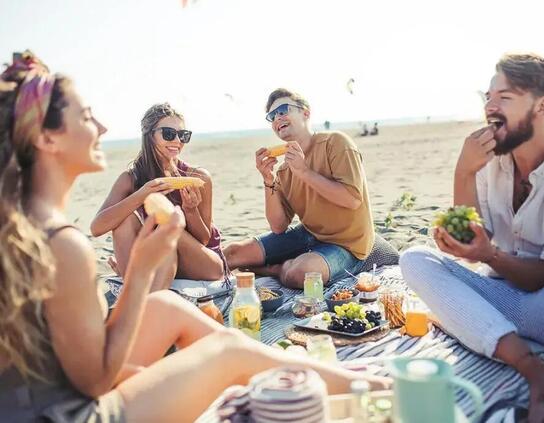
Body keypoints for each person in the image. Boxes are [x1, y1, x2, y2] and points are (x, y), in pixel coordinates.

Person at [0, 51, 389, 422]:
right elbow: (95, 380)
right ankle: (380, 389)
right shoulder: (63, 244)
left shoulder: (22, 223)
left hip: (31, 398)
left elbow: (68, 362)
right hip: (62, 414)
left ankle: (358, 383)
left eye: (182, 133)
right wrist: (140, 271)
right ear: (46, 139)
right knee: (227, 350)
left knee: (168, 307)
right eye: (87, 117)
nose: (102, 127)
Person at [400, 53, 544, 422]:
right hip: (502, 300)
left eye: (504, 97)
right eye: (488, 96)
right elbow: (473, 235)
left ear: (542, 106)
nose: (490, 106)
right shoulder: (490, 156)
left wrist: (490, 254)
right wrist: (464, 171)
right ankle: (537, 373)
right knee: (414, 258)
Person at [223, 88, 375, 288]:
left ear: (306, 113)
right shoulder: (284, 170)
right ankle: (282, 264)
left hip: (348, 244)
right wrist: (268, 179)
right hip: (309, 234)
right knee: (231, 253)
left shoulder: (336, 143)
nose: (277, 118)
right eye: (272, 116)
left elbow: (352, 199)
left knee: (300, 273)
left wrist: (304, 172)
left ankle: (274, 269)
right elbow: (278, 226)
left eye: (283, 110)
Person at [90, 102, 224, 290]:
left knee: (168, 228)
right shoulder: (130, 179)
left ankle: (138, 284)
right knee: (124, 220)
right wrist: (142, 194)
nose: (177, 141)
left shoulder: (198, 177)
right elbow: (97, 228)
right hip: (162, 259)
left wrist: (190, 211)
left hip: (205, 264)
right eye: (169, 133)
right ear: (149, 135)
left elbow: (203, 239)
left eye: (183, 135)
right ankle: (138, 290)